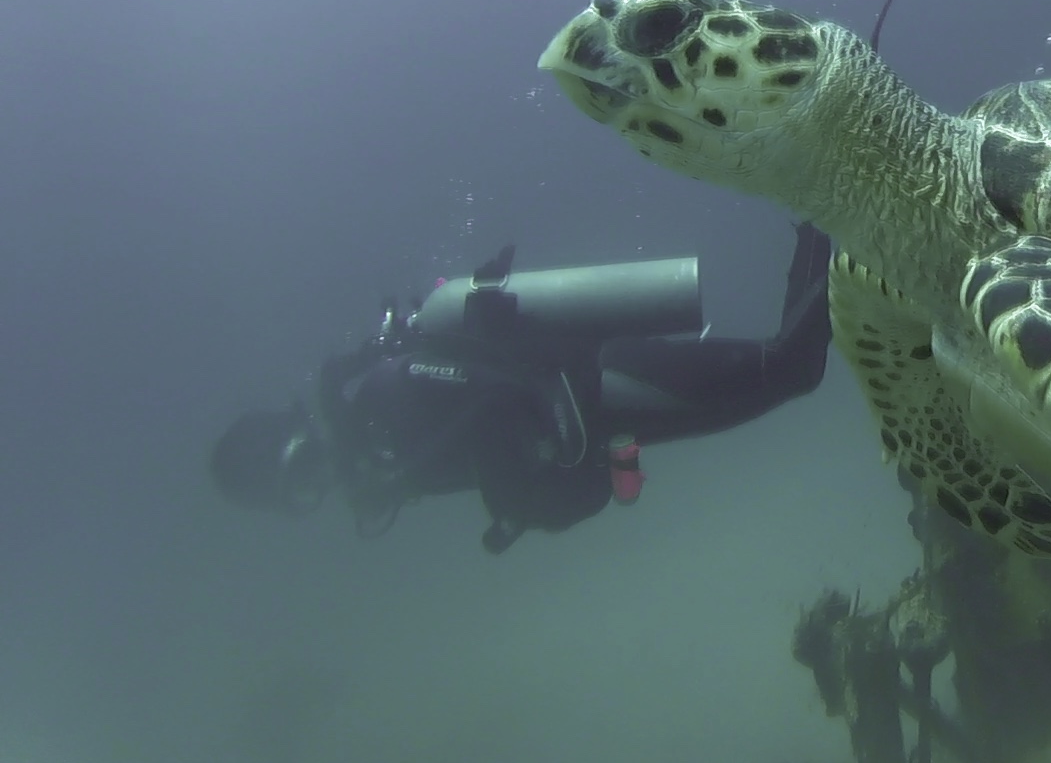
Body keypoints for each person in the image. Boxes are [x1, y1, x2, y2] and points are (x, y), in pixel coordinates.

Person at [210, 224, 832, 553]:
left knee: (790, 369)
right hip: (610, 416)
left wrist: (516, 501)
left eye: (303, 467)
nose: (323, 480)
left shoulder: (381, 396)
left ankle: (836, 217)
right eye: (304, 493)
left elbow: (494, 394)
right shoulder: (386, 456)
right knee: (788, 374)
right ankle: (828, 224)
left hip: (604, 381)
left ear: (298, 432)